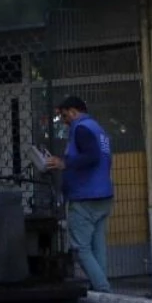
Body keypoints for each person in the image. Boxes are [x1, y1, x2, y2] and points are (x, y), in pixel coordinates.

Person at [46, 96, 113, 293]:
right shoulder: (98, 129)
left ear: (74, 111)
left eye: (64, 114)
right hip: (103, 195)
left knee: (81, 248)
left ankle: (102, 289)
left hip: (85, 196)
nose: (63, 119)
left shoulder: (81, 128)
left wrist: (64, 164)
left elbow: (91, 156)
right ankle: (102, 290)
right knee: (97, 245)